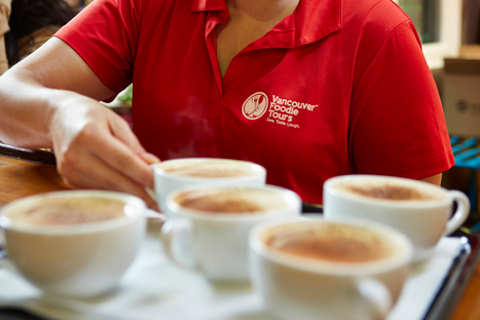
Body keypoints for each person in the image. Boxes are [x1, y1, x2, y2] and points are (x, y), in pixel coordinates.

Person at [0, 0, 454, 209]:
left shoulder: (378, 32)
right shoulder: (146, 6)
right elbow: (9, 99)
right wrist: (61, 114)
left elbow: (416, 216)